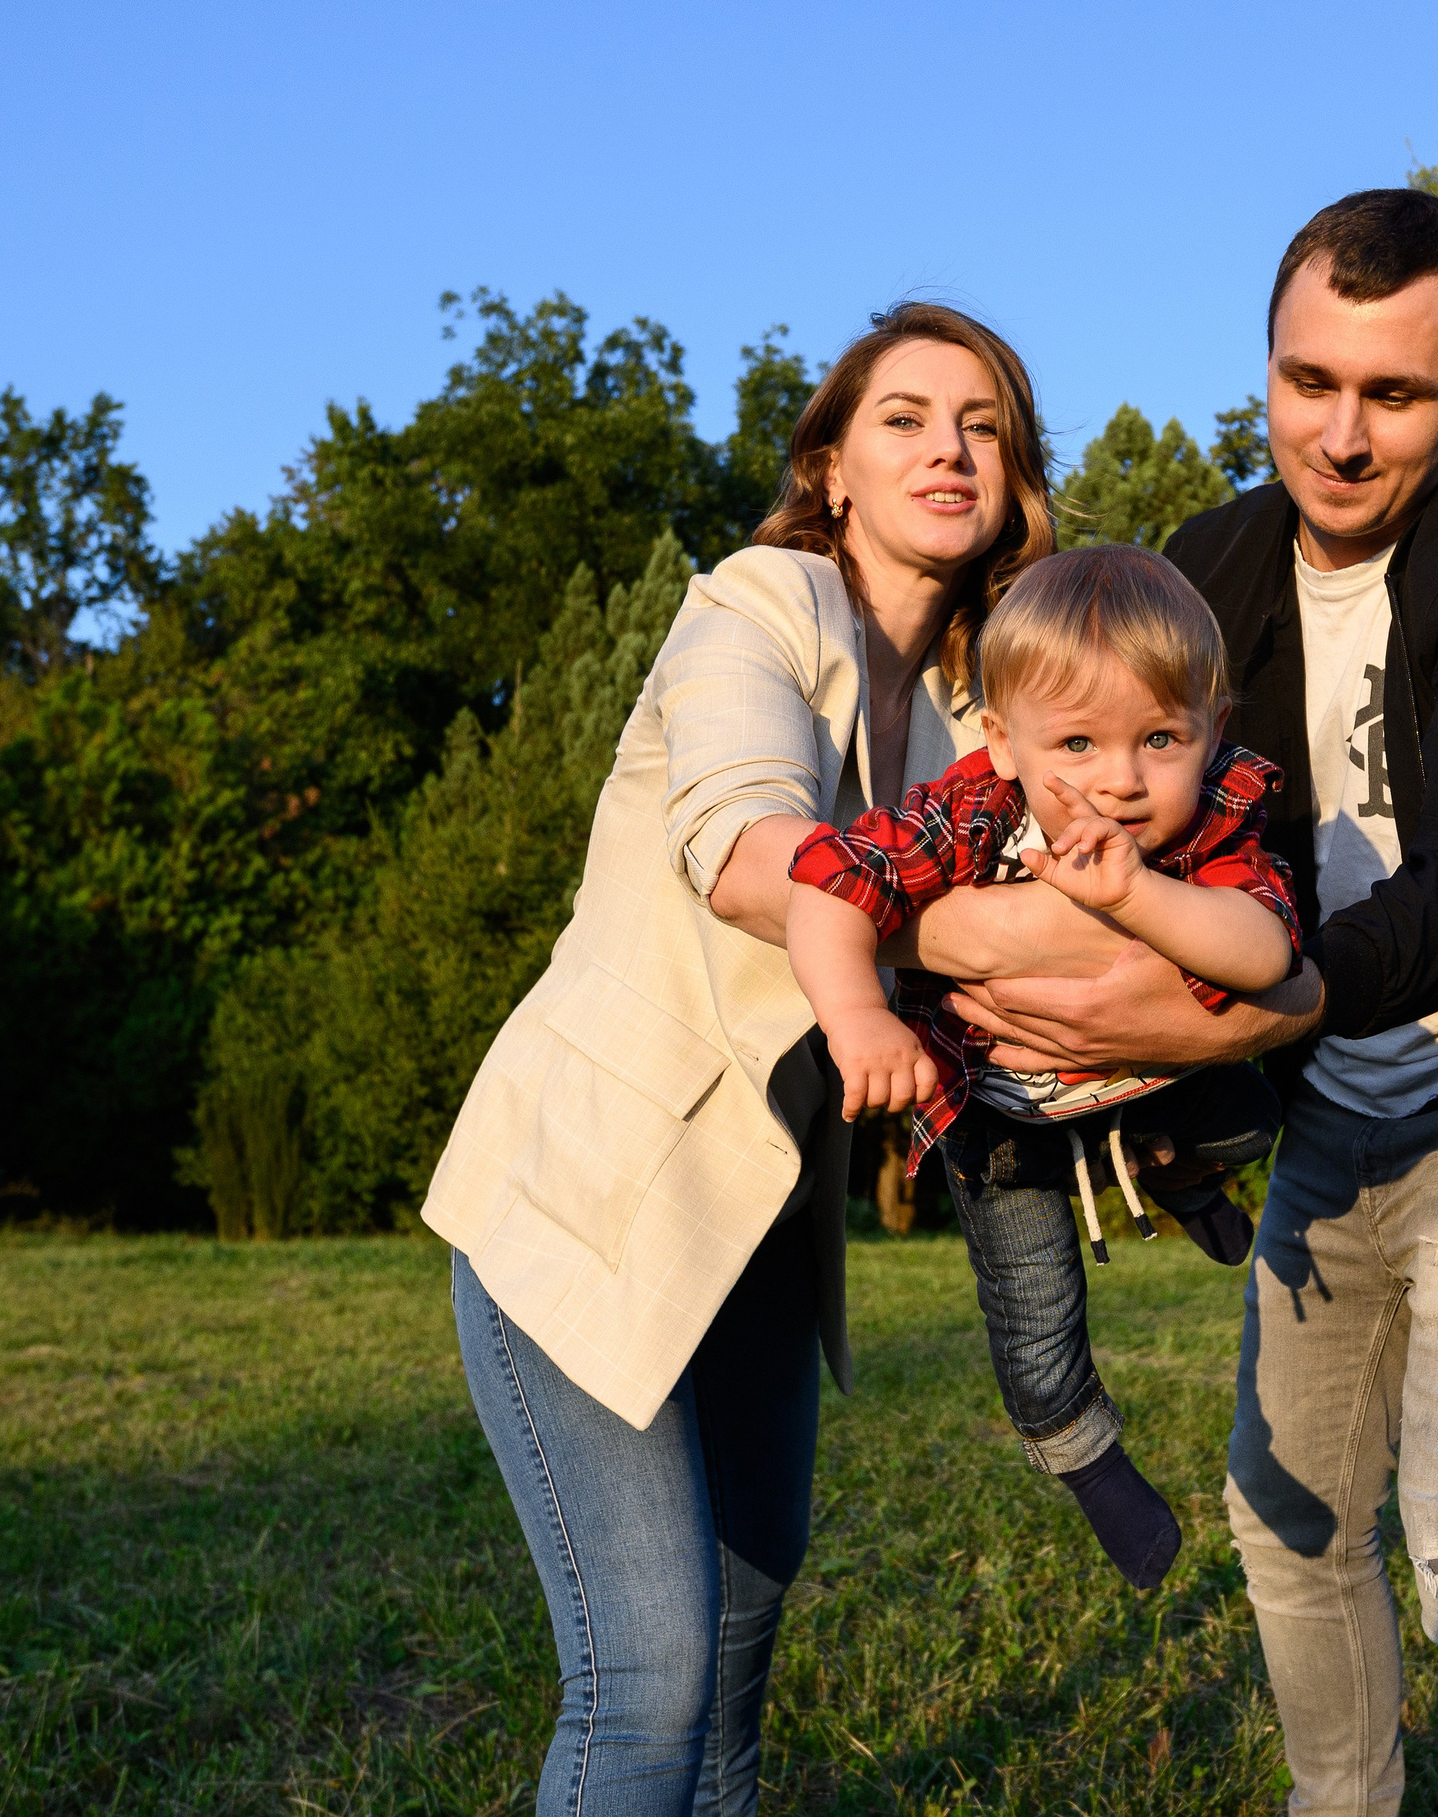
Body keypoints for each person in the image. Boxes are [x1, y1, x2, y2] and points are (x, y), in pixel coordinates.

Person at [943, 189, 1438, 1815]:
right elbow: (1069, 734)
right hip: (1332, 1122)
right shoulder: (1213, 569)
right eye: (1306, 383)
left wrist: (1278, 1004)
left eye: (1395, 396)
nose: (1338, 438)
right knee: (1292, 1526)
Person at [420, 301, 1056, 1816]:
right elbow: (744, 836)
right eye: (902, 418)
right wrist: (879, 972)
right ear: (832, 467)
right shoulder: (756, 603)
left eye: (982, 424)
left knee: (732, 1672)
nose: (947, 448)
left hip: (768, 1232)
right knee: (644, 1688)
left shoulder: (987, 708)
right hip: (591, 1200)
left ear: (1017, 479)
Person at [784, 541, 1299, 1589]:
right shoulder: (970, 812)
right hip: (1000, 1106)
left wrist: (1136, 898)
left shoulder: (1209, 824)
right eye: (1077, 742)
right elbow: (831, 882)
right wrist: (855, 1018)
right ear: (1003, 741)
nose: (1119, 782)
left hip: (1154, 1077)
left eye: (1161, 738)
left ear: (1211, 730)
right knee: (1032, 1314)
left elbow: (1266, 952)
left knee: (1253, 1113)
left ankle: (1179, 1167)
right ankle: (1081, 1449)